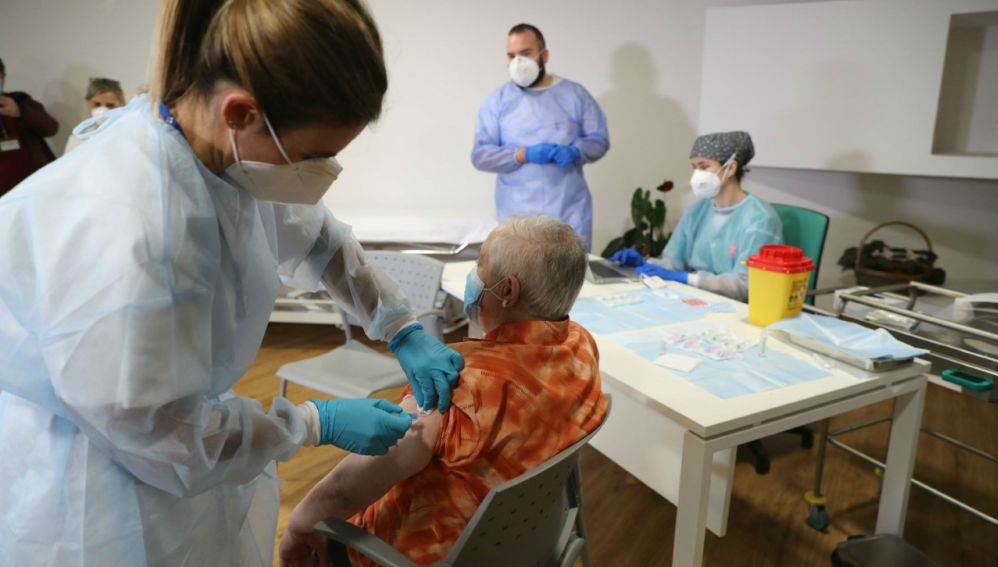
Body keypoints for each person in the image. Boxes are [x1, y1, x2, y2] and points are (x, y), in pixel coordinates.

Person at [0, 1, 464, 565]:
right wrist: (311, 423)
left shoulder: (223, 154)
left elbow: (320, 238)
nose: (322, 174)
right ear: (241, 112)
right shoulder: (131, 227)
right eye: (315, 156)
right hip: (102, 490)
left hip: (177, 448)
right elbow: (158, 434)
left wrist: (399, 325)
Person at [279, 216, 610, 567]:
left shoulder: (456, 381)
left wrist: (298, 525)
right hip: (523, 543)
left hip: (428, 553)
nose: (474, 275)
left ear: (508, 291)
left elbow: (345, 490)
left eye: (480, 262)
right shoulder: (581, 347)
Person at [471, 23, 610, 251]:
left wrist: (576, 151)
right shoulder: (498, 101)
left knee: (569, 271)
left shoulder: (574, 95)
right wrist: (521, 155)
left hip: (569, 215)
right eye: (511, 56)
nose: (518, 62)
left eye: (526, 53)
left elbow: (600, 140)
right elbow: (480, 155)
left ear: (544, 55)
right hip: (517, 222)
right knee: (520, 272)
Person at [610, 131, 782, 301]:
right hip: (694, 299)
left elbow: (745, 285)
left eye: (704, 166)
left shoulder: (760, 219)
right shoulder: (698, 210)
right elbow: (673, 261)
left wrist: (686, 278)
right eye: (694, 167)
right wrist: (644, 264)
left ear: (730, 168)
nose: (697, 175)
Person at [0, 56, 60, 195]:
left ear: (3, 77)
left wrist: (21, 112)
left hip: (36, 184)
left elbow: (51, 128)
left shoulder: (20, 100)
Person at [63, 77, 128, 154]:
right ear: (88, 102)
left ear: (121, 104)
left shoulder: (129, 133)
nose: (103, 110)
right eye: (97, 104)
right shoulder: (78, 139)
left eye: (110, 106)